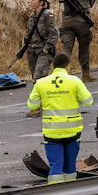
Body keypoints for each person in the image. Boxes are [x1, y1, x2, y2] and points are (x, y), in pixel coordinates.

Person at [25, 54, 92, 184]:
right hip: (72, 131)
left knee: (55, 166)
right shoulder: (75, 81)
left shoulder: (41, 83)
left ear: (53, 67)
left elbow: (31, 105)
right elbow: (88, 101)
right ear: (67, 66)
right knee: (70, 166)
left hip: (52, 132)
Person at [59, 0, 98, 82]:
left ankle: (62, 74)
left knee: (67, 48)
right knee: (84, 48)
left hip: (66, 22)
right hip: (82, 22)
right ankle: (85, 74)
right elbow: (92, 0)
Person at [22, 0, 60, 81]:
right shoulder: (32, 16)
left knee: (39, 77)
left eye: (33, 0)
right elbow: (29, 32)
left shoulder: (48, 15)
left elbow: (54, 33)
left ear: (41, 2)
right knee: (35, 77)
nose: (30, 2)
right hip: (32, 50)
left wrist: (47, 48)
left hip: (43, 51)